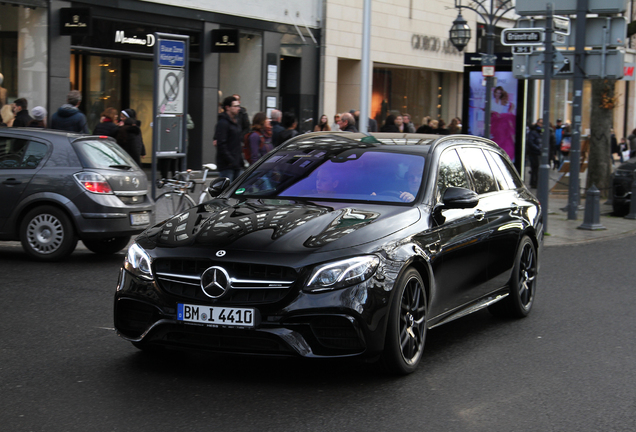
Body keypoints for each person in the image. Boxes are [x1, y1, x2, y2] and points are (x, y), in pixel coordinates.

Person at [215, 95, 244, 181]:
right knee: (226, 189)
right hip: (227, 164)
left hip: (237, 162)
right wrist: (231, 160)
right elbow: (221, 144)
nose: (238, 108)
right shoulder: (223, 123)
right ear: (227, 107)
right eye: (235, 106)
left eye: (238, 106)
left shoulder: (236, 122)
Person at [526, 119, 543, 189]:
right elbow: (530, 142)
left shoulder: (540, 132)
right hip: (534, 153)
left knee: (537, 169)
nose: (541, 125)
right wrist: (538, 148)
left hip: (538, 153)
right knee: (534, 168)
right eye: (541, 123)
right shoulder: (533, 132)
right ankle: (534, 183)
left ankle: (536, 182)